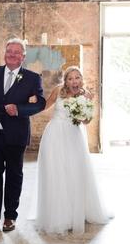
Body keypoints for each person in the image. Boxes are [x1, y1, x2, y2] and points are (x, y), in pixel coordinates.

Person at [34, 66, 110, 234]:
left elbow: (87, 121)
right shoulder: (58, 90)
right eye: (70, 78)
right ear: (66, 80)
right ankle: (57, 214)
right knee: (56, 173)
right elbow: (44, 106)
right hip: (54, 136)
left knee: (74, 173)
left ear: (81, 79)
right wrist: (29, 105)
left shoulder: (84, 95)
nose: (74, 81)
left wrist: (89, 103)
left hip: (73, 137)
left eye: (77, 78)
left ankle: (75, 212)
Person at [0, 38, 46, 232]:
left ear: (23, 57)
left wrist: (19, 109)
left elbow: (39, 103)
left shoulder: (33, 78)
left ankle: (10, 216)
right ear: (4, 53)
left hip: (16, 135)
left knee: (14, 176)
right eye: (9, 51)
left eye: (17, 52)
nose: (12, 55)